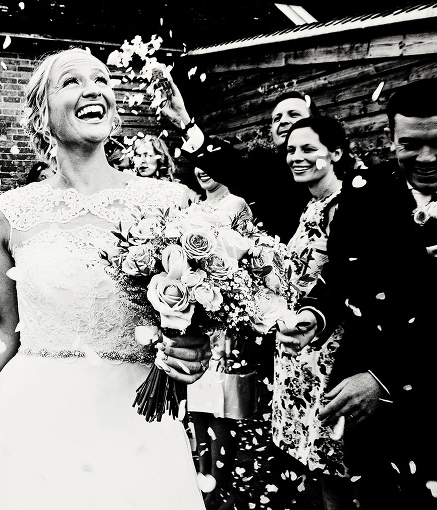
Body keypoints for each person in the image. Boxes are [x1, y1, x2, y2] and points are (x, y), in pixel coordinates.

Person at [0, 48, 210, 510]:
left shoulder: (168, 202)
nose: (92, 90)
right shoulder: (12, 211)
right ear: (42, 113)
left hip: (133, 417)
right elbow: (3, 331)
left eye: (101, 79)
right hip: (33, 417)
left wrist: (193, 347)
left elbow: (193, 316)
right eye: (71, 82)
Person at [284, 79, 437, 508]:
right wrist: (315, 315)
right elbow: (341, 277)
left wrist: (384, 379)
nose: (426, 158)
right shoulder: (365, 196)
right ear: (391, 140)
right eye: (411, 144)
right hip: (375, 423)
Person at [270, 117, 356, 510]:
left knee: (334, 463)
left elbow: (346, 281)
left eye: (307, 148)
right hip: (295, 350)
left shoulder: (349, 208)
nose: (296, 157)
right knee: (308, 461)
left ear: (336, 153)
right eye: (290, 150)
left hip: (329, 351)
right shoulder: (307, 206)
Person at [161, 79, 318, 242]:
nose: (283, 121)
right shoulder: (265, 168)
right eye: (277, 118)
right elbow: (229, 165)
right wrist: (183, 120)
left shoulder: (336, 170)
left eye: (294, 114)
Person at [187, 169, 253, 510]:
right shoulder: (194, 205)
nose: (202, 171)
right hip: (198, 315)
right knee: (198, 404)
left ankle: (220, 489)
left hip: (226, 316)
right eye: (197, 164)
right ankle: (201, 478)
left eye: (210, 164)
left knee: (221, 406)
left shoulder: (237, 204)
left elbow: (249, 259)